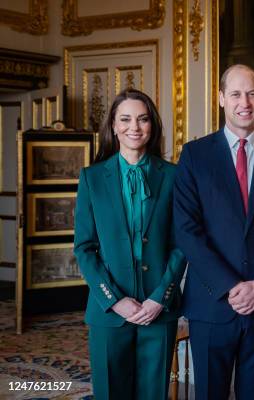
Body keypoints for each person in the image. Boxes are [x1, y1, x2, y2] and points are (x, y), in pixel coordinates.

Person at [174, 64, 254, 400]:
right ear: (221, 99)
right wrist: (231, 287)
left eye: (251, 93)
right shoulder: (194, 155)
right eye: (235, 94)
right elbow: (188, 230)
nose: (244, 102)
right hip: (212, 303)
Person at [74, 89, 186, 400]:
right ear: (113, 125)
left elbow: (182, 244)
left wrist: (159, 298)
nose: (134, 127)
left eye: (142, 119)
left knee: (154, 394)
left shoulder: (175, 176)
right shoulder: (92, 178)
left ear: (152, 125)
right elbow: (84, 248)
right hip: (108, 309)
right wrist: (114, 300)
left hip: (158, 307)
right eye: (125, 119)